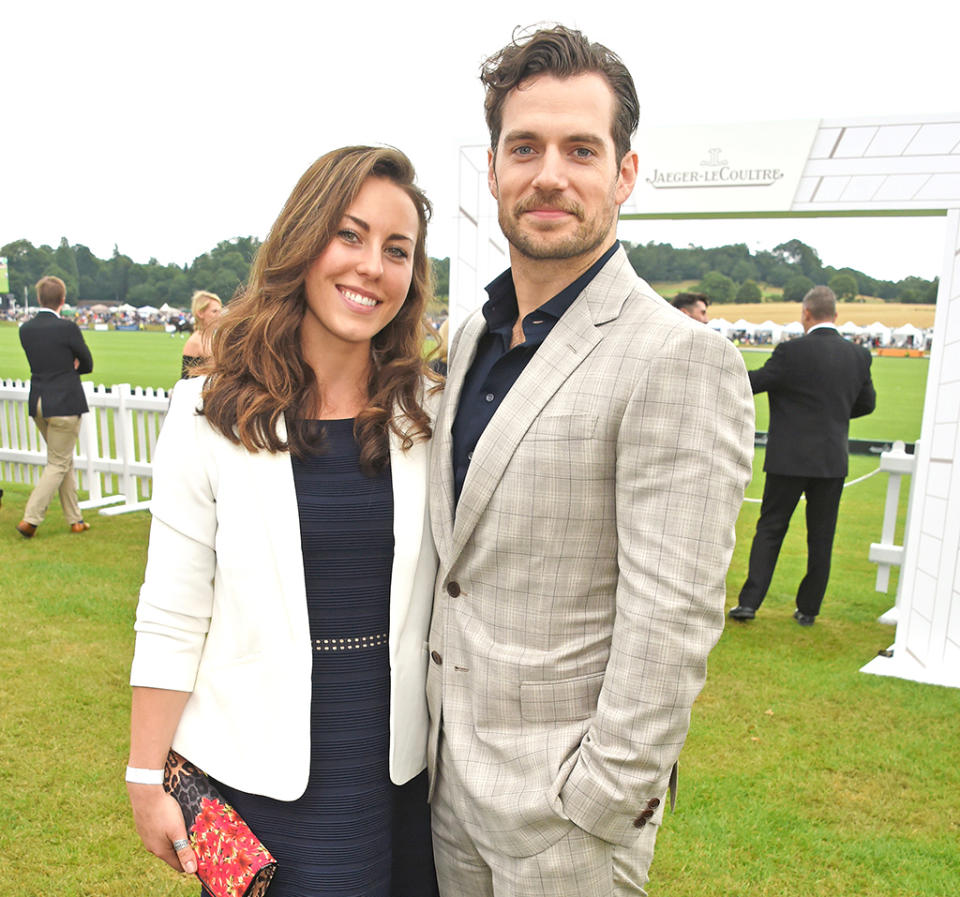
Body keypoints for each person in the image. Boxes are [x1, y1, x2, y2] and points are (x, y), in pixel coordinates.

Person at [426, 25, 754, 897]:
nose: (549, 175)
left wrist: (600, 797)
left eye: (581, 148)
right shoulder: (470, 341)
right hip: (447, 789)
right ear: (493, 169)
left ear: (625, 174)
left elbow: (674, 617)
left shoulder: (677, 356)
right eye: (524, 147)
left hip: (567, 819)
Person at [127, 146, 441, 897]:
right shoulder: (205, 412)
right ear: (302, 243)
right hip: (262, 776)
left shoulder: (430, 412)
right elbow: (173, 608)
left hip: (405, 769)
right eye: (351, 235)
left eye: (397, 250)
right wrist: (145, 772)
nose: (372, 266)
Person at [730, 285, 876, 626]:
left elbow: (754, 383)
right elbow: (867, 404)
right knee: (821, 536)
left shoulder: (790, 352)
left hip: (788, 458)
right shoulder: (858, 355)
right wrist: (835, 414)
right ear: (836, 316)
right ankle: (808, 609)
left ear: (806, 314)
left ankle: (749, 603)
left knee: (770, 529)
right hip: (831, 460)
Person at [16, 275, 94, 538]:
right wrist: (74, 365)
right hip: (64, 402)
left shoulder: (25, 329)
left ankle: (75, 519)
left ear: (39, 299)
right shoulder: (67, 328)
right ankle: (31, 518)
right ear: (62, 300)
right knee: (58, 463)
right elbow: (87, 363)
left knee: (63, 461)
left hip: (38, 401)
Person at [180, 290, 222, 378]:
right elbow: (187, 379)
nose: (219, 315)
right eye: (214, 311)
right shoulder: (195, 342)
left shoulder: (214, 339)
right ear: (200, 313)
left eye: (220, 311)